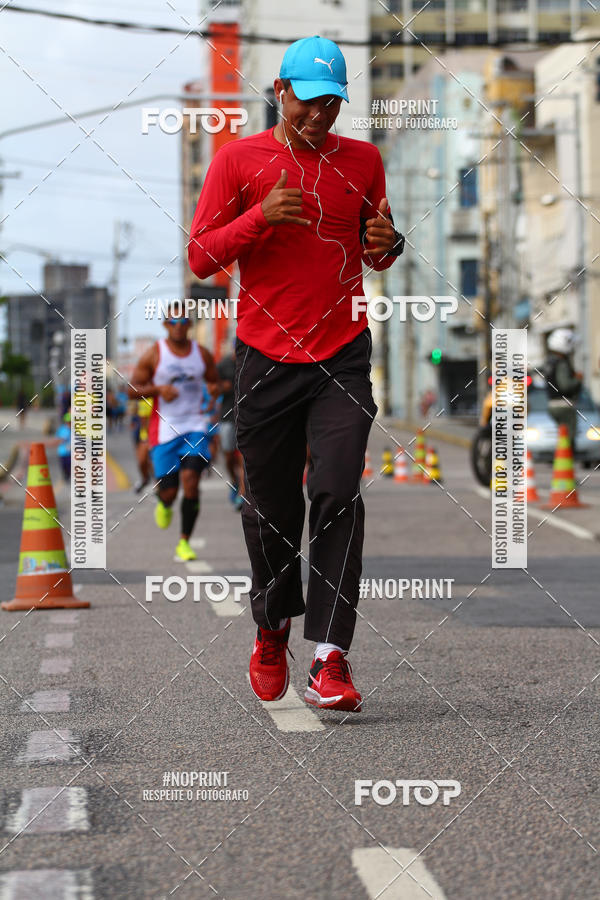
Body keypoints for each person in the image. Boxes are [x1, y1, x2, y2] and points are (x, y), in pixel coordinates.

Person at [188, 36, 403, 711]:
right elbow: (199, 256)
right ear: (280, 91)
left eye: (331, 105)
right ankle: (272, 624)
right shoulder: (238, 160)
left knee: (338, 490)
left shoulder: (364, 161)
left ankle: (331, 660)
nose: (319, 118)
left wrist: (389, 243)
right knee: (270, 509)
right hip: (263, 357)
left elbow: (379, 245)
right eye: (308, 103)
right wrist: (258, 218)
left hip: (342, 349)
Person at [129, 312, 219, 562]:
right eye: (173, 322)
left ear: (189, 324)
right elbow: (131, 389)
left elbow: (217, 383)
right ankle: (165, 503)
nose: (179, 327)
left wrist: (214, 389)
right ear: (166, 325)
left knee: (191, 479)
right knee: (170, 491)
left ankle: (184, 542)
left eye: (183, 322)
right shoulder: (155, 354)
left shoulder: (201, 354)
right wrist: (157, 389)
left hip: (196, 425)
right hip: (165, 429)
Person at [216, 344, 245, 509]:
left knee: (242, 457)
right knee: (228, 456)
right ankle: (234, 482)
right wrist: (221, 388)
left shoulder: (250, 362)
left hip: (245, 417)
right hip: (226, 417)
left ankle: (242, 493)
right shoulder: (223, 364)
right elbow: (211, 388)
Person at [545, 328, 582, 453]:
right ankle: (565, 461)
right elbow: (565, 385)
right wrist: (578, 380)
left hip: (552, 404)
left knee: (562, 435)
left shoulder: (549, 362)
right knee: (568, 437)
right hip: (564, 405)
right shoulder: (562, 363)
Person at [131, 396, 153, 494]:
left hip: (159, 435)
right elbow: (143, 420)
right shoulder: (144, 400)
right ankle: (145, 479)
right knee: (142, 460)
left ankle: (158, 483)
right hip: (145, 435)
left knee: (154, 461)